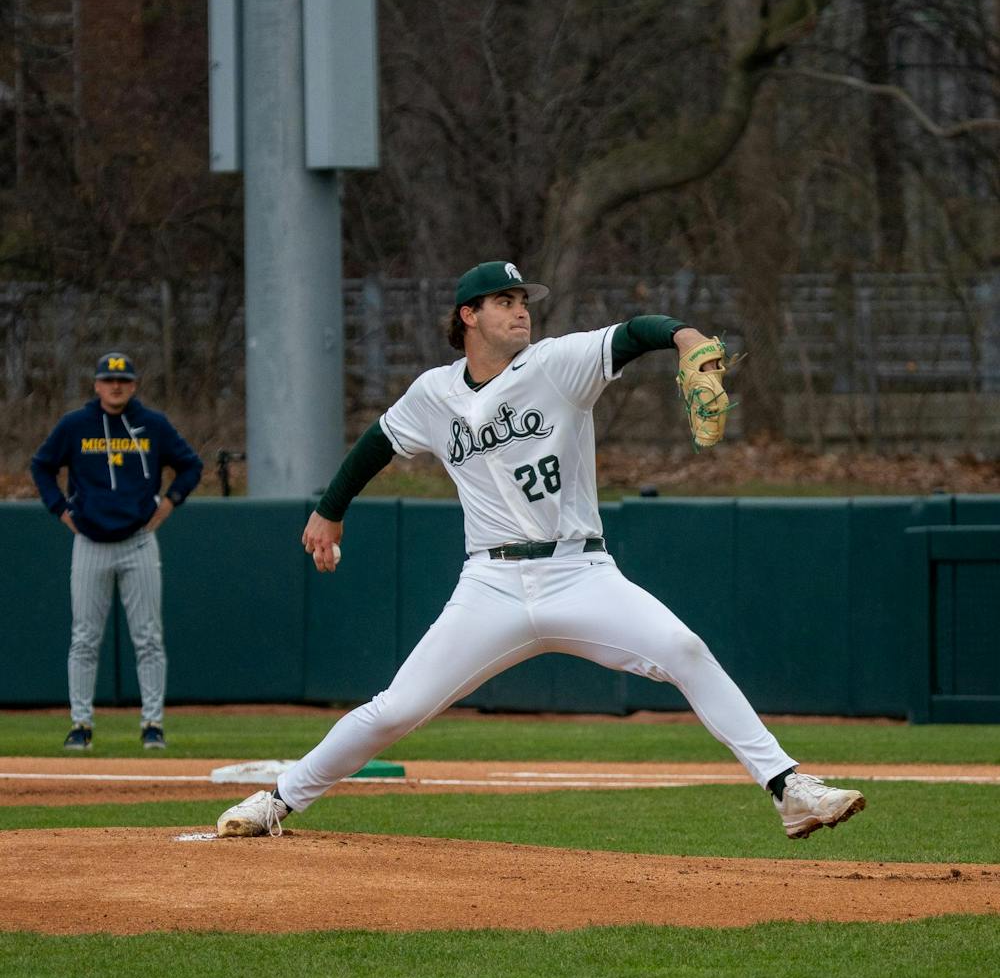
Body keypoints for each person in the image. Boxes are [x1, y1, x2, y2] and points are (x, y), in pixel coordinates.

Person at [217, 262, 866, 840]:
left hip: (579, 572)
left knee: (684, 650)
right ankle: (277, 800)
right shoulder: (433, 394)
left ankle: (789, 790)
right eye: (502, 299)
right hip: (489, 587)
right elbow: (378, 443)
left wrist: (687, 338)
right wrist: (330, 510)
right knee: (397, 709)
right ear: (468, 315)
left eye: (522, 298)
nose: (520, 308)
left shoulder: (557, 363)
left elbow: (635, 331)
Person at [31, 352, 203, 751]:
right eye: (109, 380)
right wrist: (60, 510)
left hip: (138, 540)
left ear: (134, 385)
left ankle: (153, 724)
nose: (116, 386)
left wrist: (168, 504)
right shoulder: (75, 425)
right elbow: (41, 466)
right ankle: (80, 724)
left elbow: (190, 466)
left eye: (123, 380)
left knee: (147, 637)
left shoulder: (152, 425)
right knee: (85, 637)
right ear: (96, 384)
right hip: (90, 540)